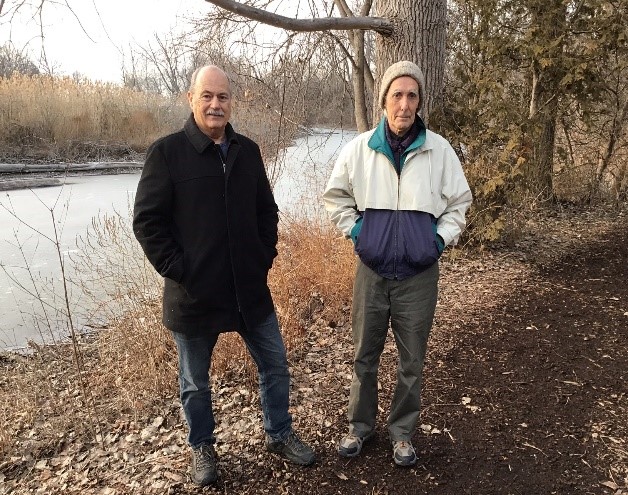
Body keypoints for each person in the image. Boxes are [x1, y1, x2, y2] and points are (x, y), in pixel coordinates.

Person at [133, 65, 315, 487]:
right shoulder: (167, 154)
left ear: (232, 102)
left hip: (249, 289)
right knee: (195, 382)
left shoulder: (247, 152)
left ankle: (279, 433)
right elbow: (147, 223)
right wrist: (182, 270)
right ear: (191, 99)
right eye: (207, 96)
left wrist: (262, 255)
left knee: (275, 365)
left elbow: (266, 212)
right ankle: (203, 447)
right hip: (193, 295)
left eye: (223, 97)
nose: (216, 104)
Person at [323, 60, 472, 467]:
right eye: (397, 95)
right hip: (372, 271)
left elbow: (459, 203)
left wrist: (437, 240)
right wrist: (358, 233)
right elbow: (336, 198)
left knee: (412, 361)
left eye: (412, 95)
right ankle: (359, 427)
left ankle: (403, 433)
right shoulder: (360, 149)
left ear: (419, 100)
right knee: (364, 356)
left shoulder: (438, 150)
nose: (404, 104)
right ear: (384, 100)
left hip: (418, 276)